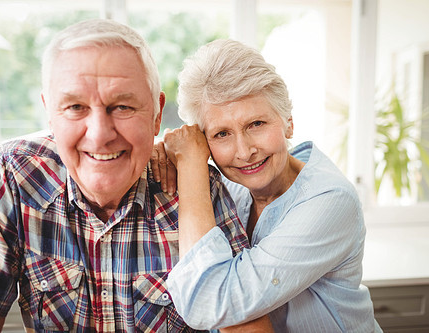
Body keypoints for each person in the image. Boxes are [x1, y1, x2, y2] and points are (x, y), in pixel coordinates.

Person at [0, 19, 257, 333]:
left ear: (157, 114)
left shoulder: (197, 186)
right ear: (49, 113)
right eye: (75, 106)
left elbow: (244, 326)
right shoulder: (14, 174)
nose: (100, 135)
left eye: (123, 106)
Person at [153, 39, 382, 332]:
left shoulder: (330, 200)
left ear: (288, 122)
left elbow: (211, 303)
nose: (244, 150)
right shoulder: (229, 187)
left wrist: (189, 164)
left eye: (257, 124)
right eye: (222, 134)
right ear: (204, 143)